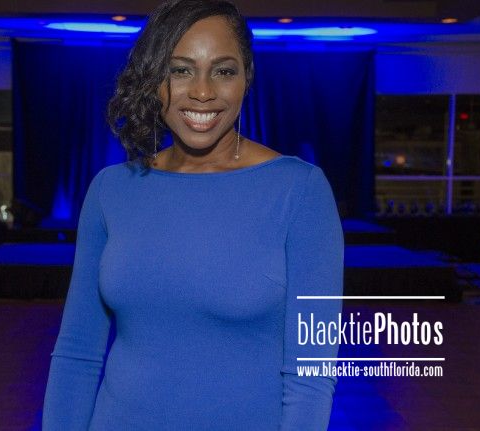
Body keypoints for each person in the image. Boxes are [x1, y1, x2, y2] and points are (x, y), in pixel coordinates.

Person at [42, 0, 344, 429]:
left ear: (247, 78)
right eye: (180, 70)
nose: (202, 92)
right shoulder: (111, 190)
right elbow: (77, 353)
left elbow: (311, 373)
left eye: (223, 71)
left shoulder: (299, 191)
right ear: (153, 79)